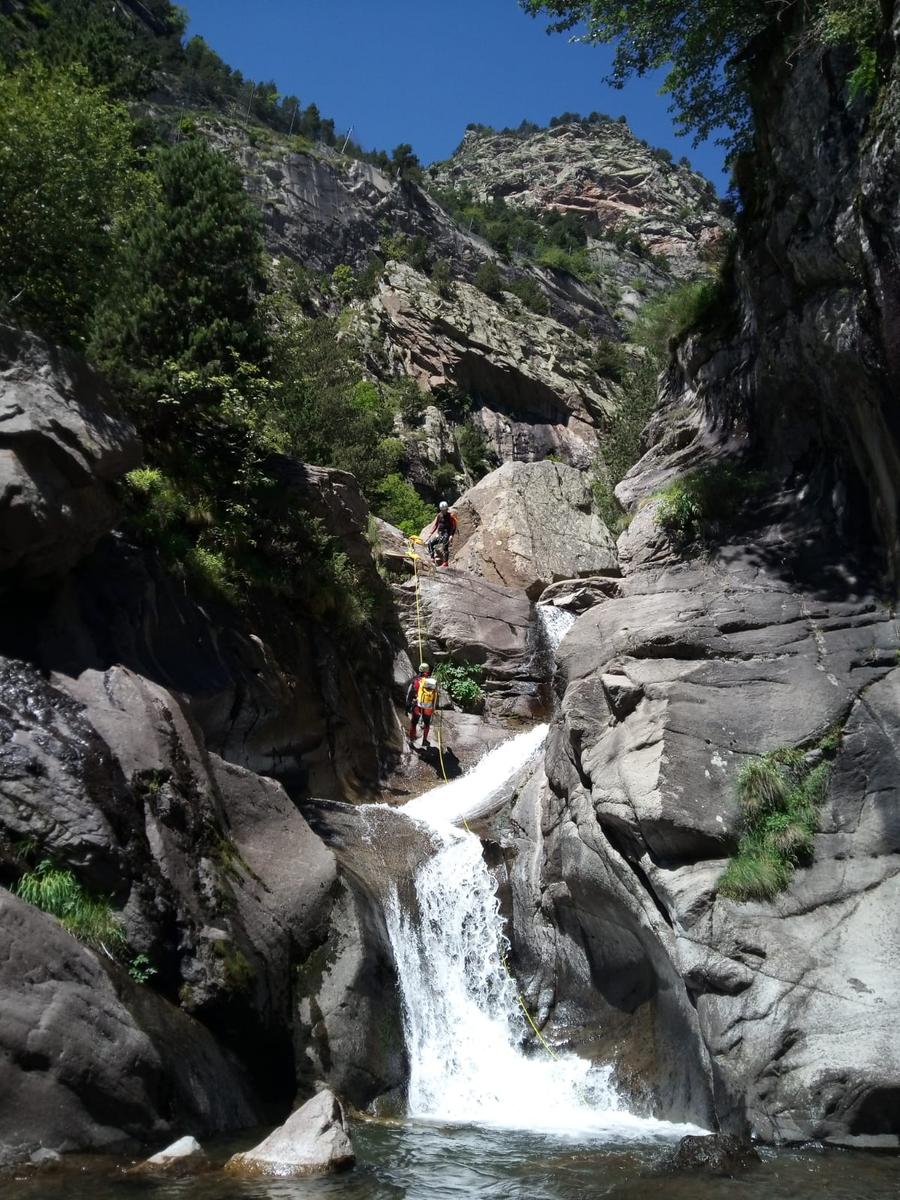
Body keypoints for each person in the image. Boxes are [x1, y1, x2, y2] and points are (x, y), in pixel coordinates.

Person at [406, 664, 439, 747]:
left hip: (417, 705)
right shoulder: (432, 682)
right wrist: (434, 708)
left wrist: (407, 707)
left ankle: (411, 741)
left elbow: (409, 695)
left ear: (419, 670)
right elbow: (435, 696)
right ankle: (424, 740)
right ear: (427, 671)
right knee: (427, 724)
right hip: (428, 707)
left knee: (414, 723)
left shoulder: (415, 681)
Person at [427, 500, 458, 568]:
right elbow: (436, 525)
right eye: (443, 510)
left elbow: (454, 526)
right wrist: (431, 533)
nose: (444, 511)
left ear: (447, 509)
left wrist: (451, 535)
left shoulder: (450, 516)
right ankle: (432, 558)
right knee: (430, 543)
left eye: (445, 510)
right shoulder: (439, 515)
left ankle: (445, 562)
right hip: (440, 533)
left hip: (446, 533)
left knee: (445, 547)